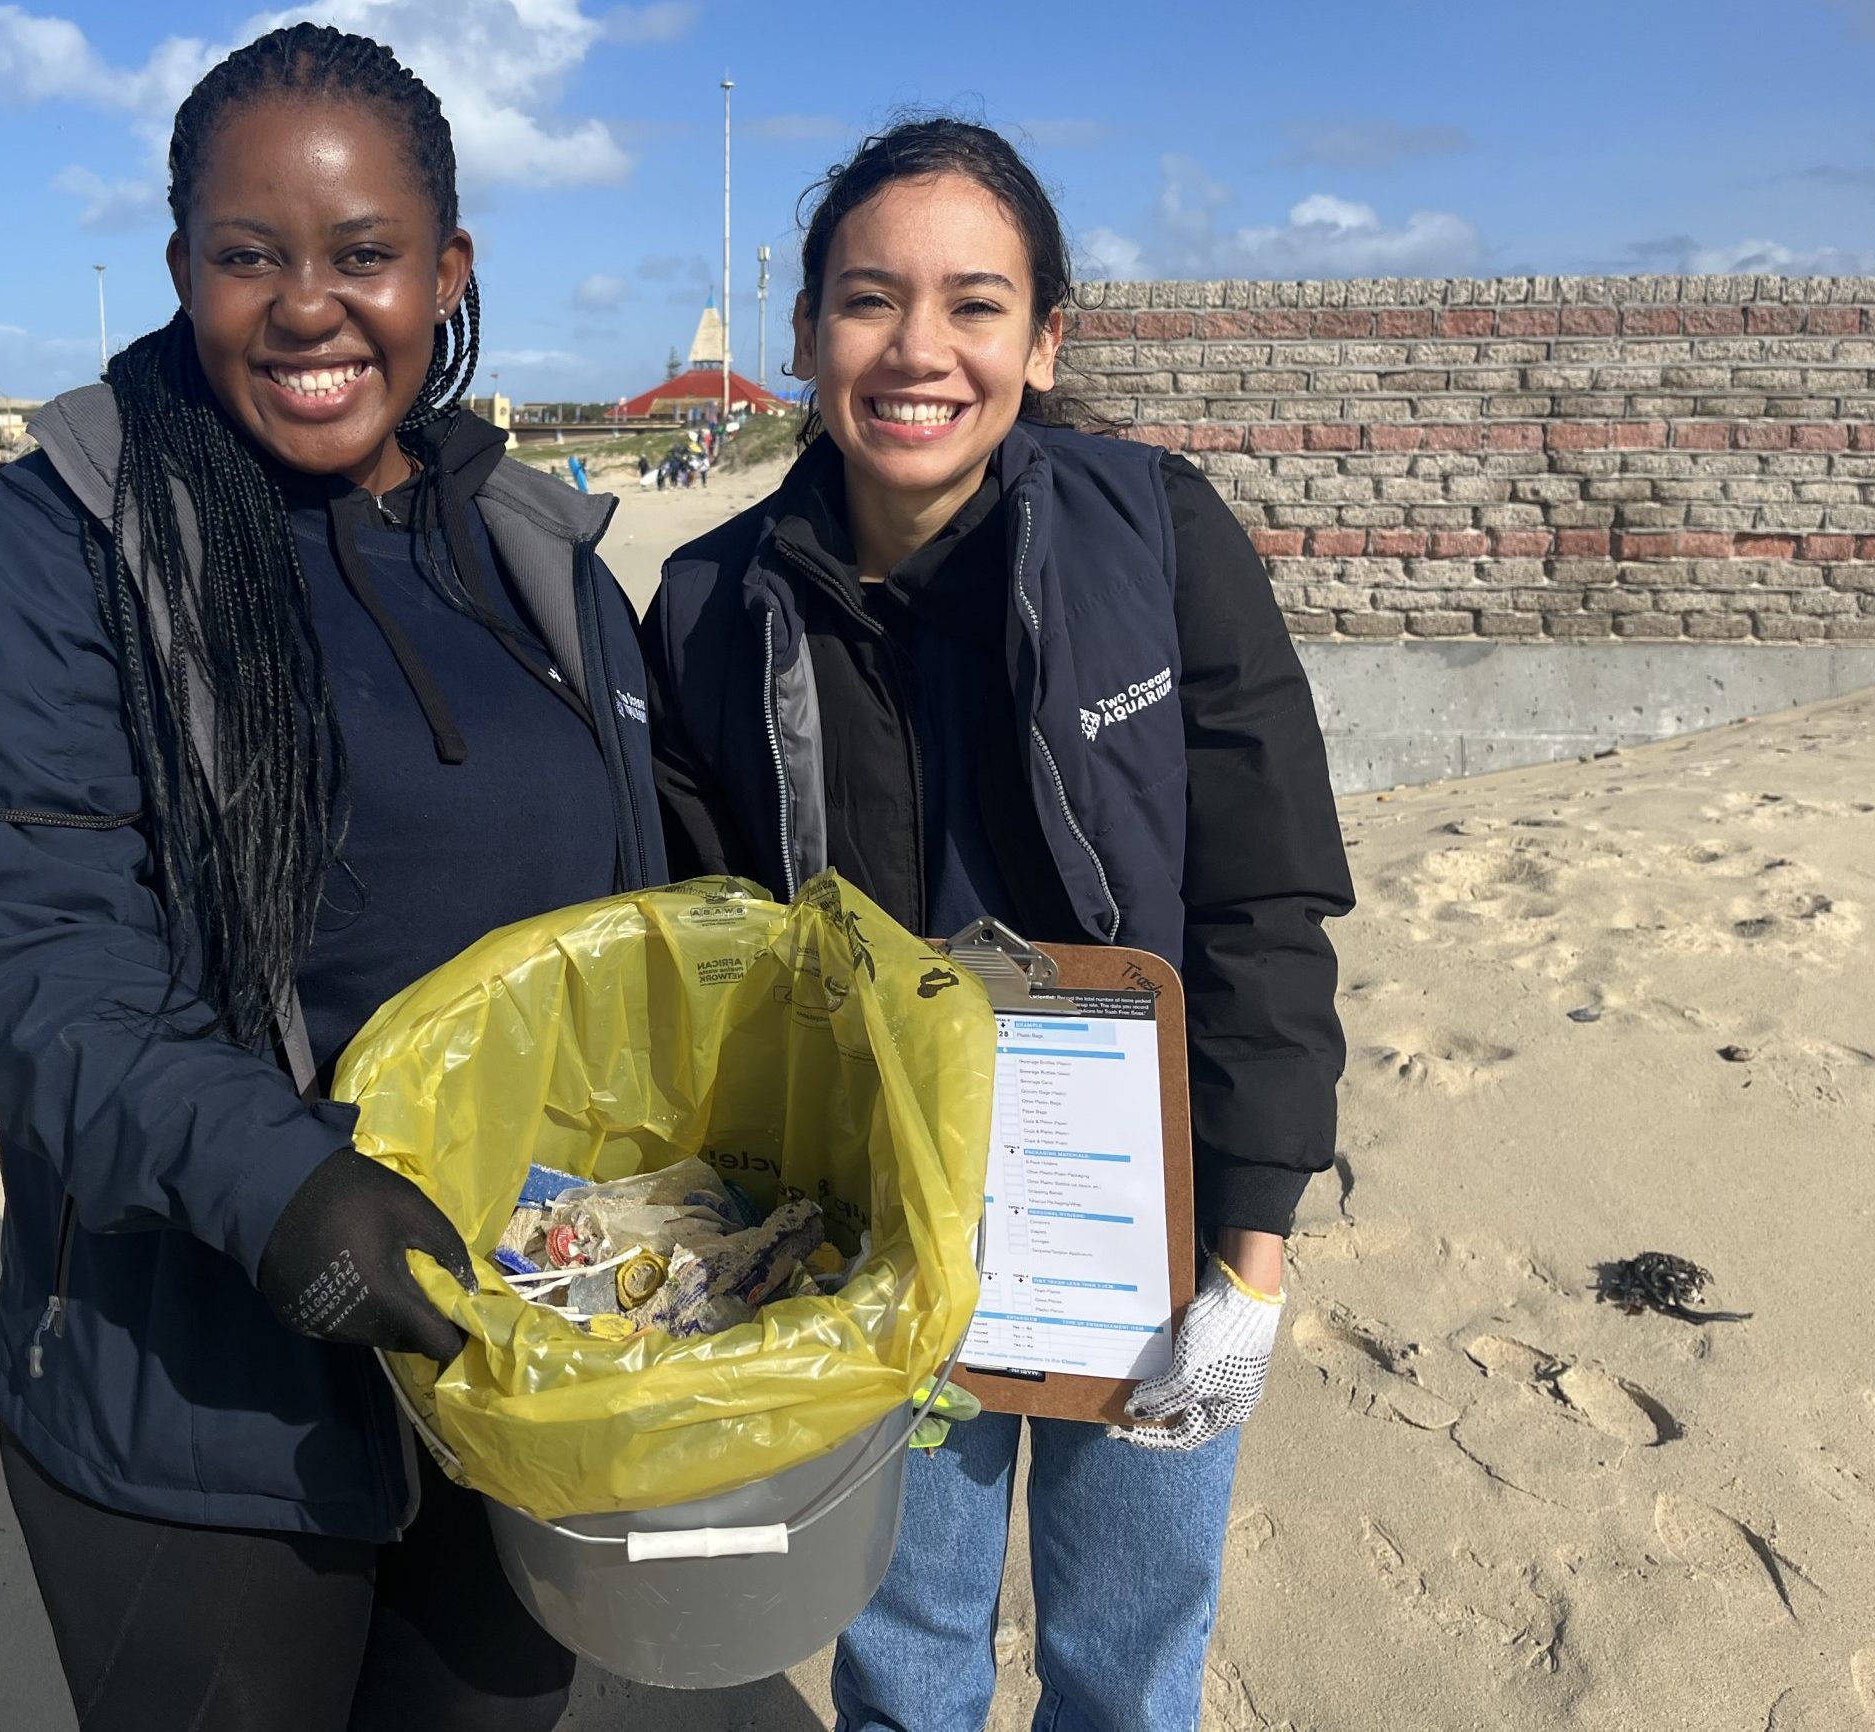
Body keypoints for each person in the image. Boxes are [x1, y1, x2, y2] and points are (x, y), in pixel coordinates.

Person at [0, 24, 663, 1731]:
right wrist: (288, 1189)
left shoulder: (533, 552)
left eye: (363, 254)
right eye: (251, 258)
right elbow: (27, 957)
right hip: (200, 1403)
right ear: (183, 273)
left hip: (515, 1363)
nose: (309, 307)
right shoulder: (57, 545)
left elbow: (660, 919)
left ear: (448, 271)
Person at [641, 119, 1355, 1732]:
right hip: (875, 1228)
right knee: (904, 1658)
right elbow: (707, 946)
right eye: (868, 300)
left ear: (1042, 341)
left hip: (1145, 1227)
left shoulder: (1160, 534)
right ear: (807, 331)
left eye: (975, 304)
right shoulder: (705, 604)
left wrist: (1252, 1245)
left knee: (1127, 1658)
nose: (919, 350)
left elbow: (1263, 897)